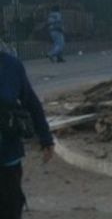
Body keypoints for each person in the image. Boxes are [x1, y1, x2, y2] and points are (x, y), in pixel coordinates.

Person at [0, 48, 54, 219]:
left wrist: (46, 138)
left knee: (10, 208)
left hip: (8, 156)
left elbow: (31, 102)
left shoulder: (11, 66)